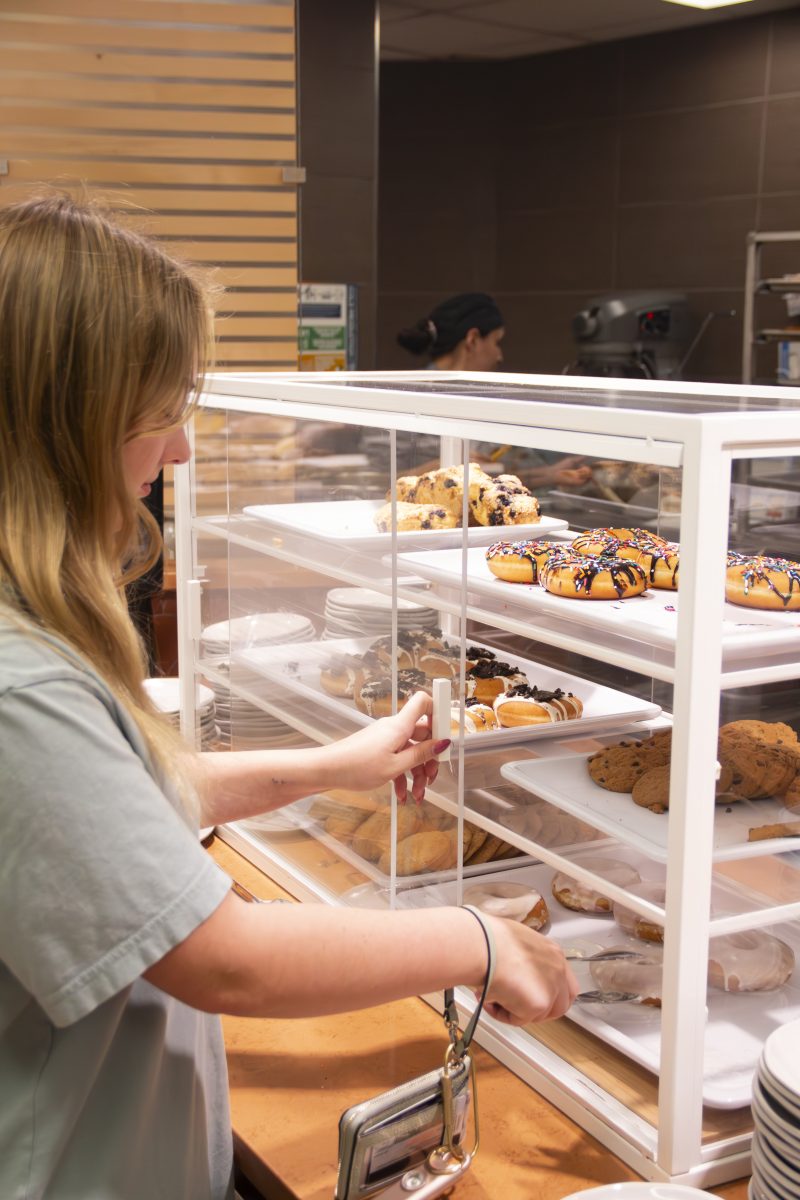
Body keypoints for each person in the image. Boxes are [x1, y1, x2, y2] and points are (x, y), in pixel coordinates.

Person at [0, 194, 578, 1200]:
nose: (179, 451)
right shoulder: (19, 684)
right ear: (67, 418)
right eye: (161, 409)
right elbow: (222, 960)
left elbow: (105, 809)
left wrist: (331, 765)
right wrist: (475, 939)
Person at [391, 292, 591, 489]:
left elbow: (483, 479)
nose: (499, 356)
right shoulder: (406, 398)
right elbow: (372, 480)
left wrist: (551, 474)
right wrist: (437, 467)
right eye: (497, 342)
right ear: (473, 339)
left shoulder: (475, 397)